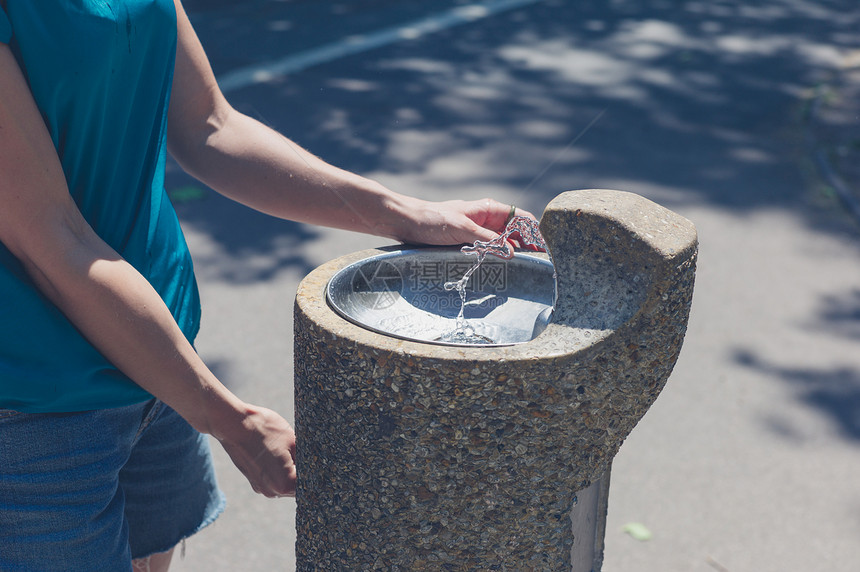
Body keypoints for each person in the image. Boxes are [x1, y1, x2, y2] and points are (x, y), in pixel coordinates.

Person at [0, 1, 534, 570]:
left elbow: (212, 127)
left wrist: (407, 214)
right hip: (35, 399)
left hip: (159, 351)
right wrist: (230, 419)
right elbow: (53, 240)